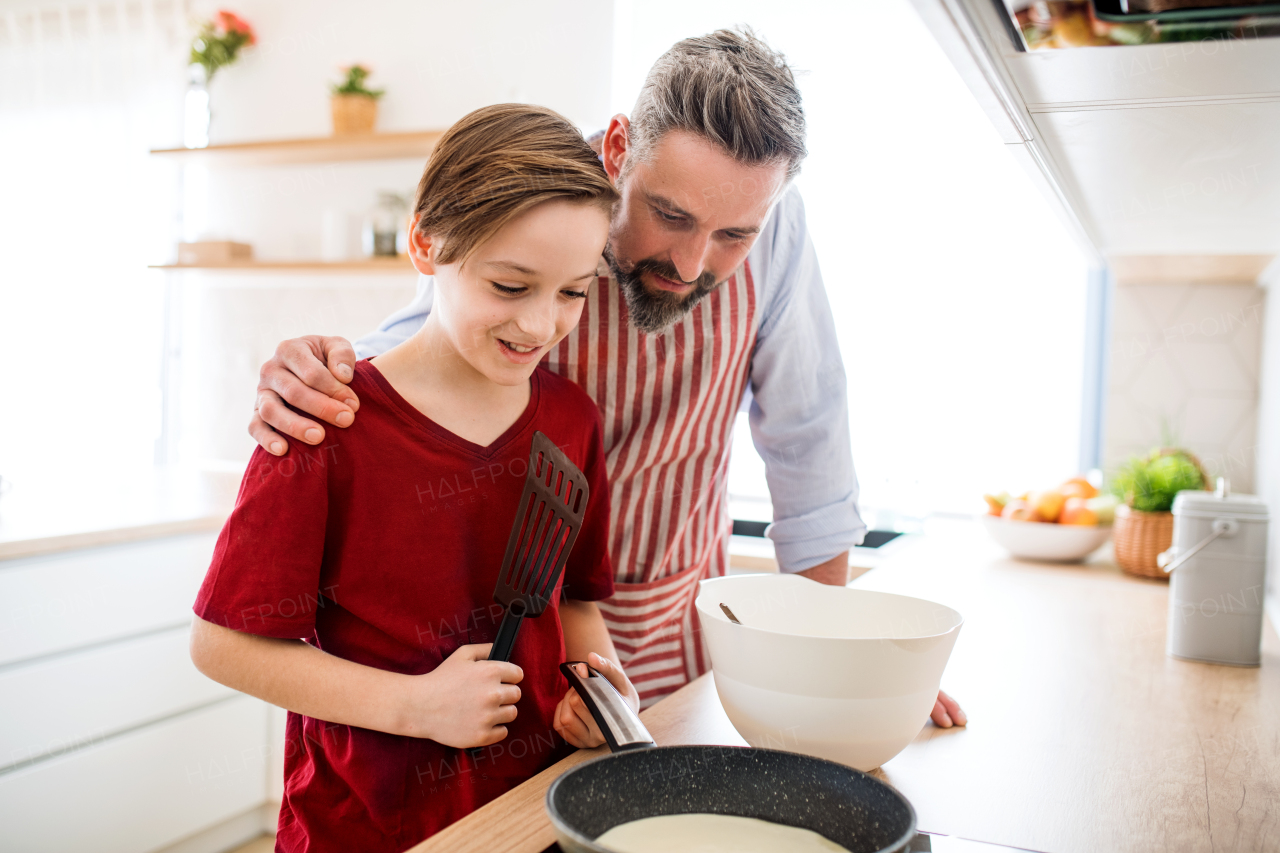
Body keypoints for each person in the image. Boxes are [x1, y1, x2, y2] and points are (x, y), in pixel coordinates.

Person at [248, 29, 966, 727]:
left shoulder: (779, 230)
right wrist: (324, 370)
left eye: (732, 236)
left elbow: (810, 444)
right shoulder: (544, 195)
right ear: (619, 150)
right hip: (510, 659)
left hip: (677, 634)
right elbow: (437, 334)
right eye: (669, 214)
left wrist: (839, 662)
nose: (691, 264)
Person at [189, 103, 638, 852]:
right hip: (359, 826)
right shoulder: (325, 420)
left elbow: (578, 602)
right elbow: (221, 644)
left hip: (531, 814)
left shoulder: (573, 422)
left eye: (572, 291)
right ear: (426, 244)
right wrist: (416, 706)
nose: (539, 324)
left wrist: (596, 689)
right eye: (509, 285)